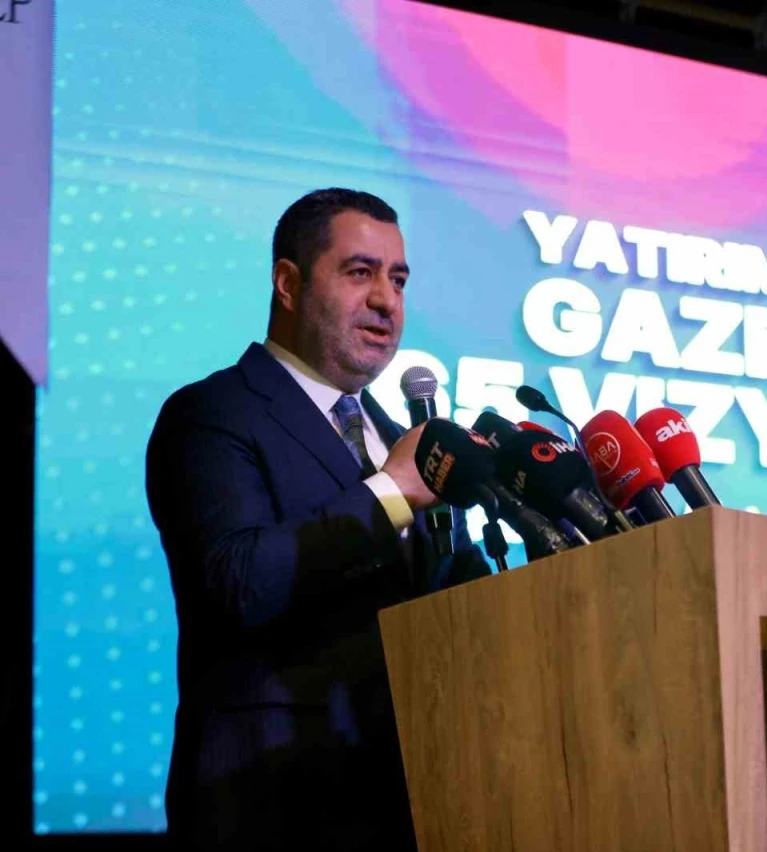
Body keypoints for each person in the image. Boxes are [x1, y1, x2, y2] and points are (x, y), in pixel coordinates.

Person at [145, 188, 491, 851]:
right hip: (269, 806)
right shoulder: (214, 413)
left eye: (399, 280)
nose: (387, 301)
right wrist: (392, 490)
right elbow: (238, 580)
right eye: (360, 272)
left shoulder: (399, 435)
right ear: (288, 283)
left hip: (413, 804)